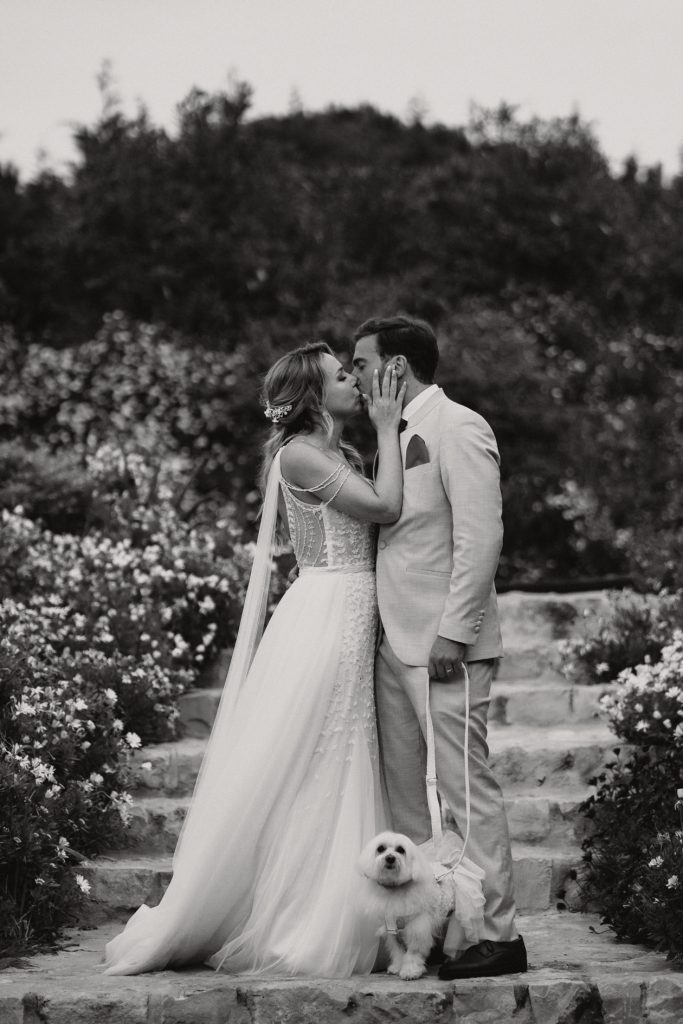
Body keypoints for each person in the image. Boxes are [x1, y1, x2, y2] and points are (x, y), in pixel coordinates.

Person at [103, 342, 406, 977]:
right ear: (314, 396)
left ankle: (347, 904)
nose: (355, 382)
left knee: (342, 750)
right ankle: (300, 918)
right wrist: (387, 426)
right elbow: (384, 508)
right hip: (327, 613)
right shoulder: (299, 454)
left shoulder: (341, 454)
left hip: (356, 609)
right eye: (342, 375)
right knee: (322, 751)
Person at [352, 315, 528, 980]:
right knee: (407, 801)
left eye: (362, 363)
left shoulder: (459, 427)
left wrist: (454, 631)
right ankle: (427, 935)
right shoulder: (389, 434)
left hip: (444, 646)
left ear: (396, 366)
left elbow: (481, 537)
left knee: (463, 791)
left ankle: (498, 936)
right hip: (392, 643)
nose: (356, 377)